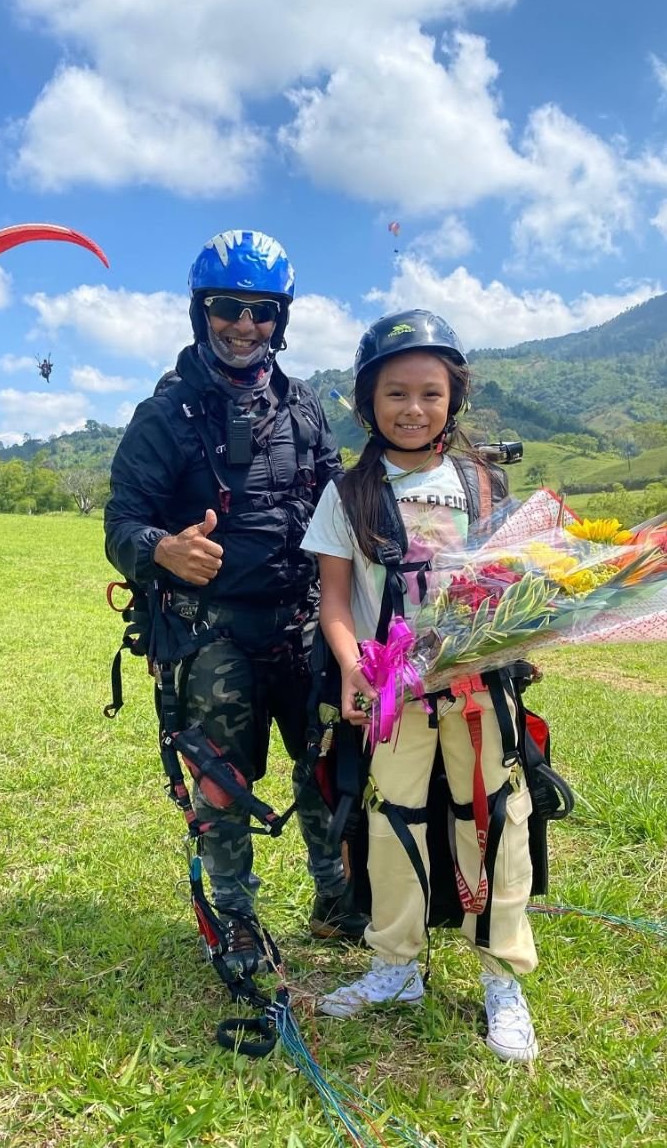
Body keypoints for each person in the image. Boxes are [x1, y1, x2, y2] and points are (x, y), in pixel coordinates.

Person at [104, 229, 367, 970]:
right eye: (228, 307)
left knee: (326, 765)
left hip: (304, 624)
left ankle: (334, 896)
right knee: (221, 781)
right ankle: (239, 917)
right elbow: (120, 520)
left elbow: (341, 508)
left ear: (282, 317)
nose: (245, 325)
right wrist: (162, 548)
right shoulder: (166, 416)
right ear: (202, 311)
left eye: (263, 311)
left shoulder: (305, 408)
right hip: (210, 633)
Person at [300, 309, 539, 1062]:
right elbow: (335, 599)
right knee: (392, 819)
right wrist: (349, 664)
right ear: (368, 402)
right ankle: (394, 965)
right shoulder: (349, 492)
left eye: (430, 394)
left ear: (453, 399)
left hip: (476, 689)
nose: (413, 409)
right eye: (395, 393)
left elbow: (511, 578)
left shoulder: (481, 481)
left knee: (494, 818)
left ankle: (502, 976)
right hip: (391, 694)